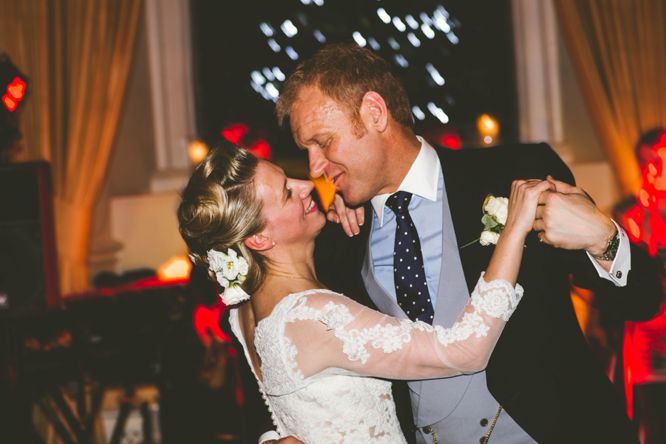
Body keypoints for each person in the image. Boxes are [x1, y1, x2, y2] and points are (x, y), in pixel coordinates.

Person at [274, 43, 663, 444]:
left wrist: (604, 239)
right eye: (307, 150)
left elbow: (641, 301)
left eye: (323, 142)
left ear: (374, 112)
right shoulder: (339, 237)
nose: (315, 166)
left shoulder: (516, 174)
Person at [178, 144, 547, 443]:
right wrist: (514, 228)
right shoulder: (315, 315)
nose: (306, 184)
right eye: (288, 192)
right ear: (259, 239)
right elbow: (465, 351)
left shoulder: (242, 313)